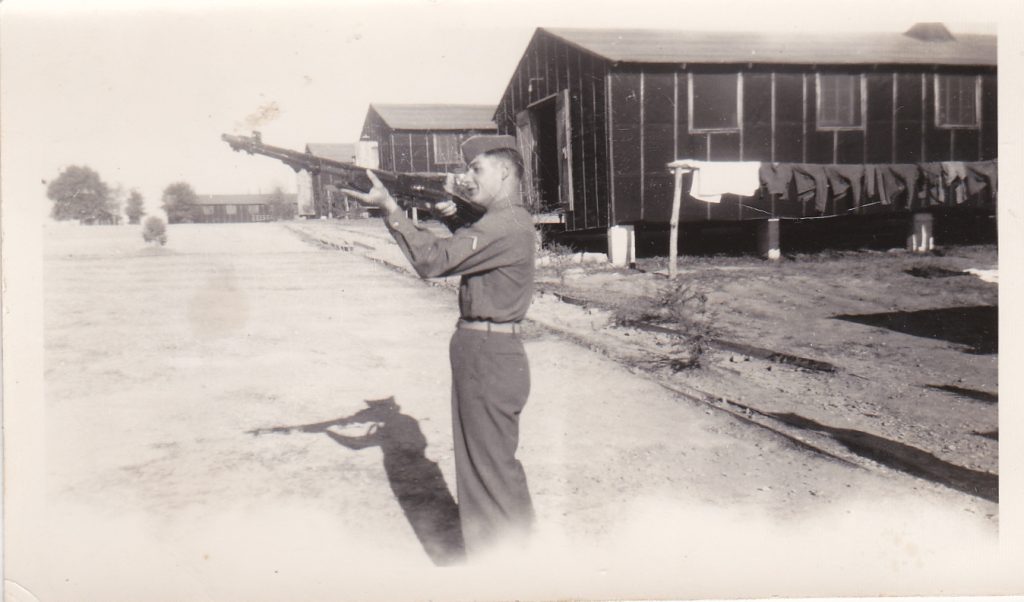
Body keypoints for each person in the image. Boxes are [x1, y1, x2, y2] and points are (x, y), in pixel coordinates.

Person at [342, 135, 536, 557]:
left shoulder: (504, 223)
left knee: (487, 468)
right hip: (486, 350)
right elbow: (474, 251)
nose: (467, 178)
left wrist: (391, 209)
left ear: (505, 171)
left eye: (477, 169)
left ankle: (502, 564)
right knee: (491, 463)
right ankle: (517, 554)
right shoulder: (503, 221)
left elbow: (433, 261)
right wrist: (450, 217)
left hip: (487, 353)